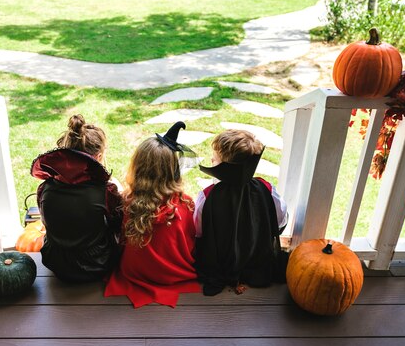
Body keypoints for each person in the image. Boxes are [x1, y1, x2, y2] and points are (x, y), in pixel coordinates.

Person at [104, 122, 201, 308]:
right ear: (172, 171)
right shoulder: (185, 205)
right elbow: (191, 244)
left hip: (134, 273)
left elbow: (123, 239)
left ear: (138, 168)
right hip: (175, 274)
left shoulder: (128, 203)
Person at [193, 129, 288, 296]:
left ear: (224, 168)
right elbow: (280, 221)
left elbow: (198, 231)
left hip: (220, 261)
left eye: (214, 160)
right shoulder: (266, 189)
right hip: (257, 258)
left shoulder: (208, 196)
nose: (211, 160)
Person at [30, 114, 123, 283]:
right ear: (99, 156)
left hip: (56, 263)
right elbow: (119, 224)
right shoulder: (106, 191)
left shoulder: (45, 188)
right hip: (97, 264)